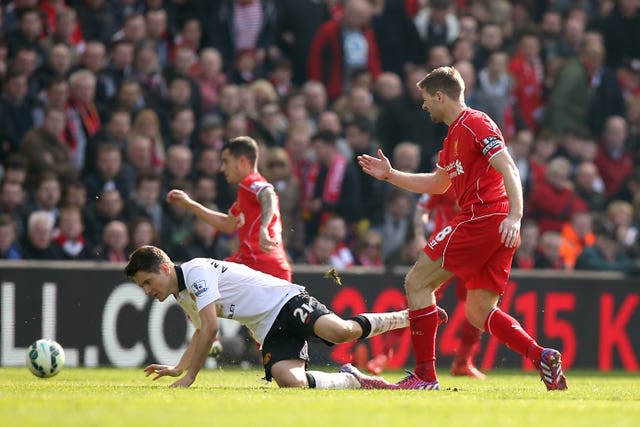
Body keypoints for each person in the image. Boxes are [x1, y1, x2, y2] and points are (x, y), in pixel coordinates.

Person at [357, 66, 568, 391]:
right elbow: (440, 184)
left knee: (416, 282)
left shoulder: (475, 124)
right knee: (479, 310)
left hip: (482, 218)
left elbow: (509, 167)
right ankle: (541, 355)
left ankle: (425, 377)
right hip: (494, 223)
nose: (424, 106)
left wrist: (516, 215)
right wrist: (391, 175)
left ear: (441, 96)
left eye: (427, 99)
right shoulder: (455, 135)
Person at [124, 245, 407, 389]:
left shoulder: (196, 271)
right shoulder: (181, 295)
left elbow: (210, 330)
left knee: (341, 332)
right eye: (143, 288)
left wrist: (190, 377)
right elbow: (200, 332)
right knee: (290, 381)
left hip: (285, 301)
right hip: (268, 328)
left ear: (164, 268)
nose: (147, 291)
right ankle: (353, 381)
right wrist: (178, 368)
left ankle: (406, 317)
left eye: (147, 282)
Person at [166, 136, 292, 281]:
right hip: (261, 267)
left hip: (261, 268)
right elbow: (227, 224)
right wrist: (189, 204)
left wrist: (264, 227)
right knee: (206, 281)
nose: (222, 168)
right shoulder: (245, 193)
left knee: (201, 281)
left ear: (242, 162)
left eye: (226, 161)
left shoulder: (251, 182)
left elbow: (268, 194)